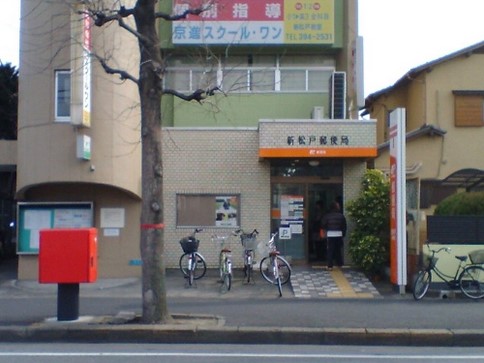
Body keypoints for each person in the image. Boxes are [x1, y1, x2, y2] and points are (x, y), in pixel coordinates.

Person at [320, 201, 347, 270]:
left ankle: (330, 266)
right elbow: (344, 226)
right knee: (338, 250)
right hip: (339, 234)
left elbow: (323, 224)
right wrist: (343, 234)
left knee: (330, 250)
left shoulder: (327, 216)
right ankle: (340, 264)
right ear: (337, 207)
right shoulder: (341, 216)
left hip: (330, 234)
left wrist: (325, 231)